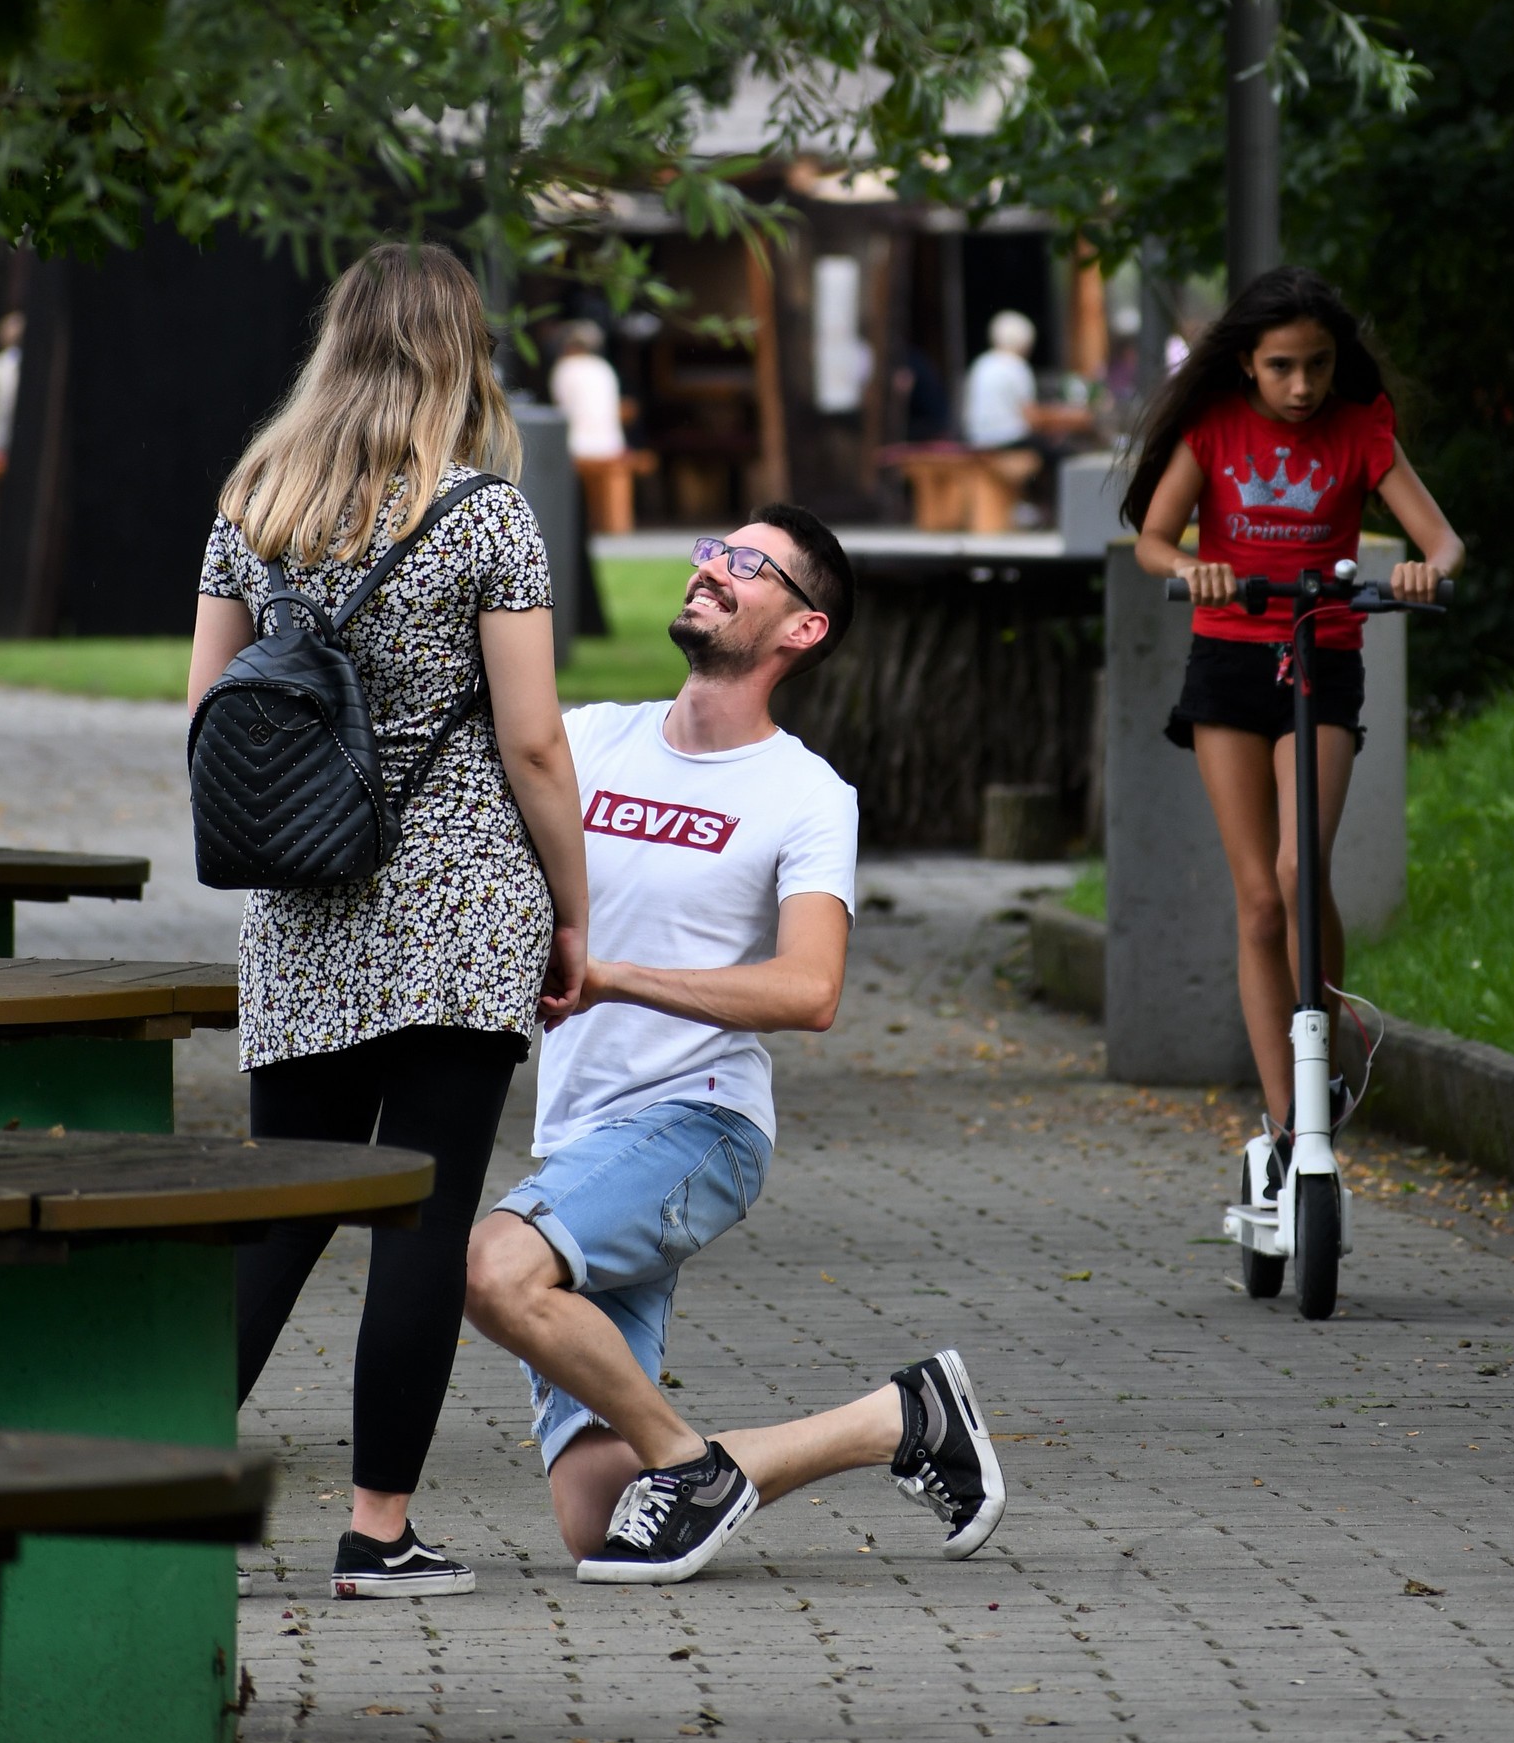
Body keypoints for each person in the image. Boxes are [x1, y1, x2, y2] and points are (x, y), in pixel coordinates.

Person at [464, 506, 1007, 1584]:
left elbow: (809, 989)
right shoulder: (584, 738)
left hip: (695, 1123)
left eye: (748, 566)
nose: (711, 567)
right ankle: (893, 1421)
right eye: (714, 548)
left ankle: (688, 1465)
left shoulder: (803, 795)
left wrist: (608, 975)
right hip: (577, 1141)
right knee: (598, 1516)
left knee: (490, 1269)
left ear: (801, 631)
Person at [188, 242, 590, 1600]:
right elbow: (533, 744)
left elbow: (205, 713)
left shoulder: (255, 501)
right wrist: (574, 914)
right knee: (423, 1215)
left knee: (281, 1207)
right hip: (460, 902)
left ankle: (158, 1488)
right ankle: (377, 1532)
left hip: (299, 902)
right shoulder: (485, 517)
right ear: (459, 350)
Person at [1124, 265, 1463, 1155]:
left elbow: (1443, 538)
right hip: (1229, 663)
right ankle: (1290, 1115)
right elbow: (1153, 540)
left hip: (1324, 659)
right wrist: (1188, 566)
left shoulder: (1361, 432)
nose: (1303, 386)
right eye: (1282, 367)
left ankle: (1325, 1059)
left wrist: (1429, 569)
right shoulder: (1213, 428)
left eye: (1316, 364)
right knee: (1258, 900)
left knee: (1298, 872)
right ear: (1246, 363)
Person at [960, 309, 1040, 451]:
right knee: (1059, 452)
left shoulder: (981, 362)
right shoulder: (1017, 366)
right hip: (1008, 440)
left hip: (976, 439)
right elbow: (1030, 415)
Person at [549, 319, 626, 464]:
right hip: (611, 446)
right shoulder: (603, 367)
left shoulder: (565, 367)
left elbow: (561, 409)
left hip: (576, 448)